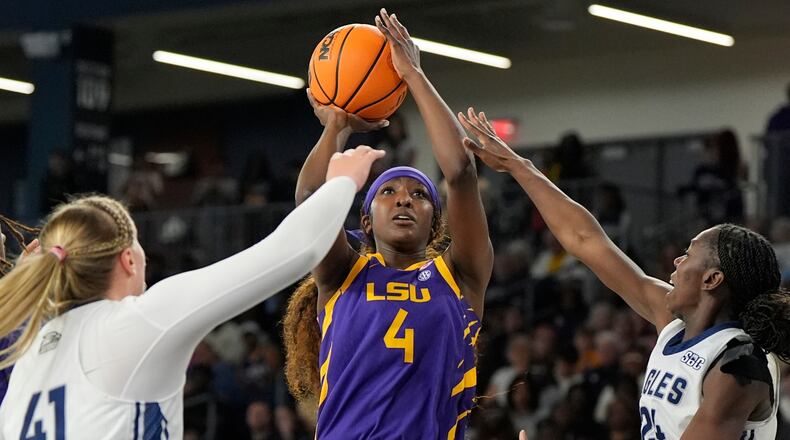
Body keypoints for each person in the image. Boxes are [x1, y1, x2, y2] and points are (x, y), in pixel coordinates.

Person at [0, 145, 384, 439]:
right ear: (128, 261)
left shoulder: (29, 353)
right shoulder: (135, 323)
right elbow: (296, 248)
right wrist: (343, 181)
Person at [458, 107, 788, 439]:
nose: (676, 261)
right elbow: (587, 241)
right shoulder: (674, 328)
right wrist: (519, 166)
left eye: (688, 254)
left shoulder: (740, 364)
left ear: (712, 279)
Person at [282, 9, 493, 439]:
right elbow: (308, 201)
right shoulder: (342, 273)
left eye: (419, 196)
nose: (404, 200)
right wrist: (337, 124)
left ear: (436, 222)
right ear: (366, 220)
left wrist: (413, 74)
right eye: (388, 192)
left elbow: (460, 172)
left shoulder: (461, 277)